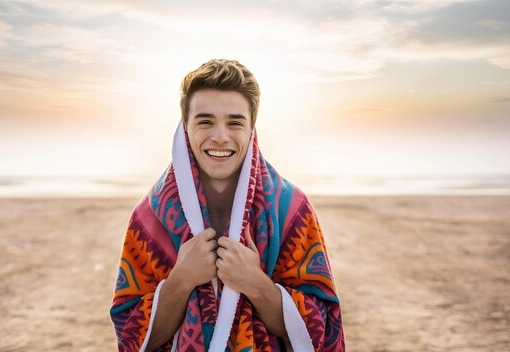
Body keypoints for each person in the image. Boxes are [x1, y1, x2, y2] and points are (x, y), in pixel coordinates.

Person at [110, 59, 345, 351]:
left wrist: (256, 284)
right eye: (205, 121)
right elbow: (131, 337)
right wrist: (181, 280)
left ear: (251, 130)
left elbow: (323, 329)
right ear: (185, 127)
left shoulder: (291, 210)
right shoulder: (150, 215)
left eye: (235, 122)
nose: (220, 136)